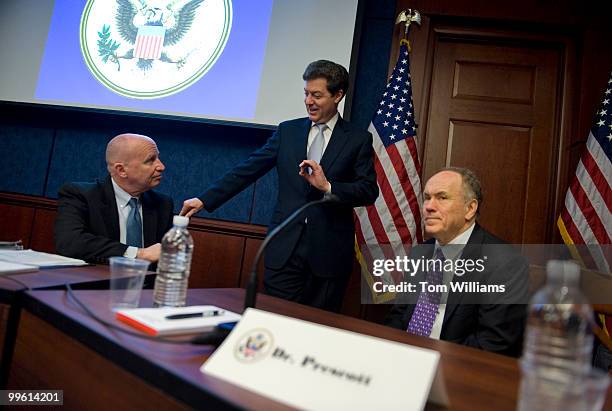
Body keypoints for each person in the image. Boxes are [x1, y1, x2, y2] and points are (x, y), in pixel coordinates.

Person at [181, 60, 378, 312]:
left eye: (317, 95)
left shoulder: (358, 139)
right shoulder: (288, 131)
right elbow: (247, 170)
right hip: (284, 249)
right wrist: (205, 199)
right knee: (275, 321)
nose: (308, 101)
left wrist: (328, 186)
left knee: (317, 330)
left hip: (329, 256)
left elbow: (368, 191)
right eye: (306, 94)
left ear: (338, 95)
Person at [385, 167, 528, 356]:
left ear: (469, 209)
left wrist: (429, 360)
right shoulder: (420, 253)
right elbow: (399, 317)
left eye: (442, 197)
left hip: (457, 370)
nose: (428, 206)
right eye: (427, 198)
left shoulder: (505, 262)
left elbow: (492, 342)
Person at [54, 133, 174, 264]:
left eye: (158, 158)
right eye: (150, 160)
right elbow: (70, 243)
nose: (161, 167)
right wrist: (138, 254)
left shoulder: (162, 204)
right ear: (121, 170)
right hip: (97, 280)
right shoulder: (81, 195)